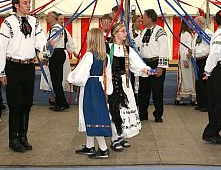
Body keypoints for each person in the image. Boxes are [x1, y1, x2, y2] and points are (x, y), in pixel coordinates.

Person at [0, 0, 47, 152]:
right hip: (13, 67)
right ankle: (13, 139)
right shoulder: (8, 22)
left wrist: (46, 50)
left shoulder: (34, 21)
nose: (28, 5)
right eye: (25, 3)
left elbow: (41, 42)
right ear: (16, 5)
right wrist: (1, 72)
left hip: (28, 67)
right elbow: (2, 48)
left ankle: (23, 136)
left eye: (28, 3)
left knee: (27, 104)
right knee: (15, 104)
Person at [67, 28, 112, 159]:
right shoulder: (106, 57)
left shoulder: (89, 55)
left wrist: (71, 78)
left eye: (88, 37)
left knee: (92, 115)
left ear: (92, 40)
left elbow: (81, 75)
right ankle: (89, 145)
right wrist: (108, 91)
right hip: (99, 87)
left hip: (90, 87)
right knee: (91, 114)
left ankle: (103, 149)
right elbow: (107, 76)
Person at [107, 23, 149, 151]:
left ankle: (120, 135)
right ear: (115, 33)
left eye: (125, 31)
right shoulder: (108, 48)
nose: (126, 33)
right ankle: (114, 138)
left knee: (124, 110)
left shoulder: (127, 49)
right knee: (114, 109)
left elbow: (136, 64)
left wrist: (145, 70)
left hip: (125, 84)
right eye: (123, 31)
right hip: (112, 84)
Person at [202, 10, 221, 144]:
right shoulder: (220, 35)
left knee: (217, 101)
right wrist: (207, 72)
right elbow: (214, 54)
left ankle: (215, 131)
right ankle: (210, 132)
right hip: (217, 69)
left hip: (220, 68)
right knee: (216, 102)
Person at [135, 9, 169, 123]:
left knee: (157, 90)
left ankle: (158, 114)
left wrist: (161, 67)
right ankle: (142, 114)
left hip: (156, 63)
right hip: (145, 64)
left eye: (144, 17)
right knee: (143, 90)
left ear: (150, 18)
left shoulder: (160, 32)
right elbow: (137, 43)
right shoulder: (143, 32)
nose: (142, 19)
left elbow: (164, 49)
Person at [44, 11, 78, 112]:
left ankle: (61, 103)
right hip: (59, 53)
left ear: (52, 17)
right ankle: (61, 102)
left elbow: (52, 42)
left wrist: (45, 52)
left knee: (56, 80)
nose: (46, 18)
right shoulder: (59, 28)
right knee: (57, 79)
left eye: (48, 16)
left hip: (56, 54)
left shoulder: (55, 28)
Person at [192, 16, 213, 112]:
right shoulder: (197, 34)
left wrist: (197, 52)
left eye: (195, 23)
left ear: (200, 23)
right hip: (198, 60)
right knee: (199, 83)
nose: (193, 25)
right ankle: (201, 103)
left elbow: (208, 48)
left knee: (204, 83)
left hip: (205, 59)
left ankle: (206, 104)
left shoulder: (208, 34)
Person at [175, 19, 196, 105]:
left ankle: (192, 98)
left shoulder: (187, 34)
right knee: (184, 78)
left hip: (188, 58)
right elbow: (183, 48)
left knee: (189, 78)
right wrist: (185, 59)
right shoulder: (186, 34)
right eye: (190, 22)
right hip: (186, 59)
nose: (191, 23)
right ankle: (179, 97)